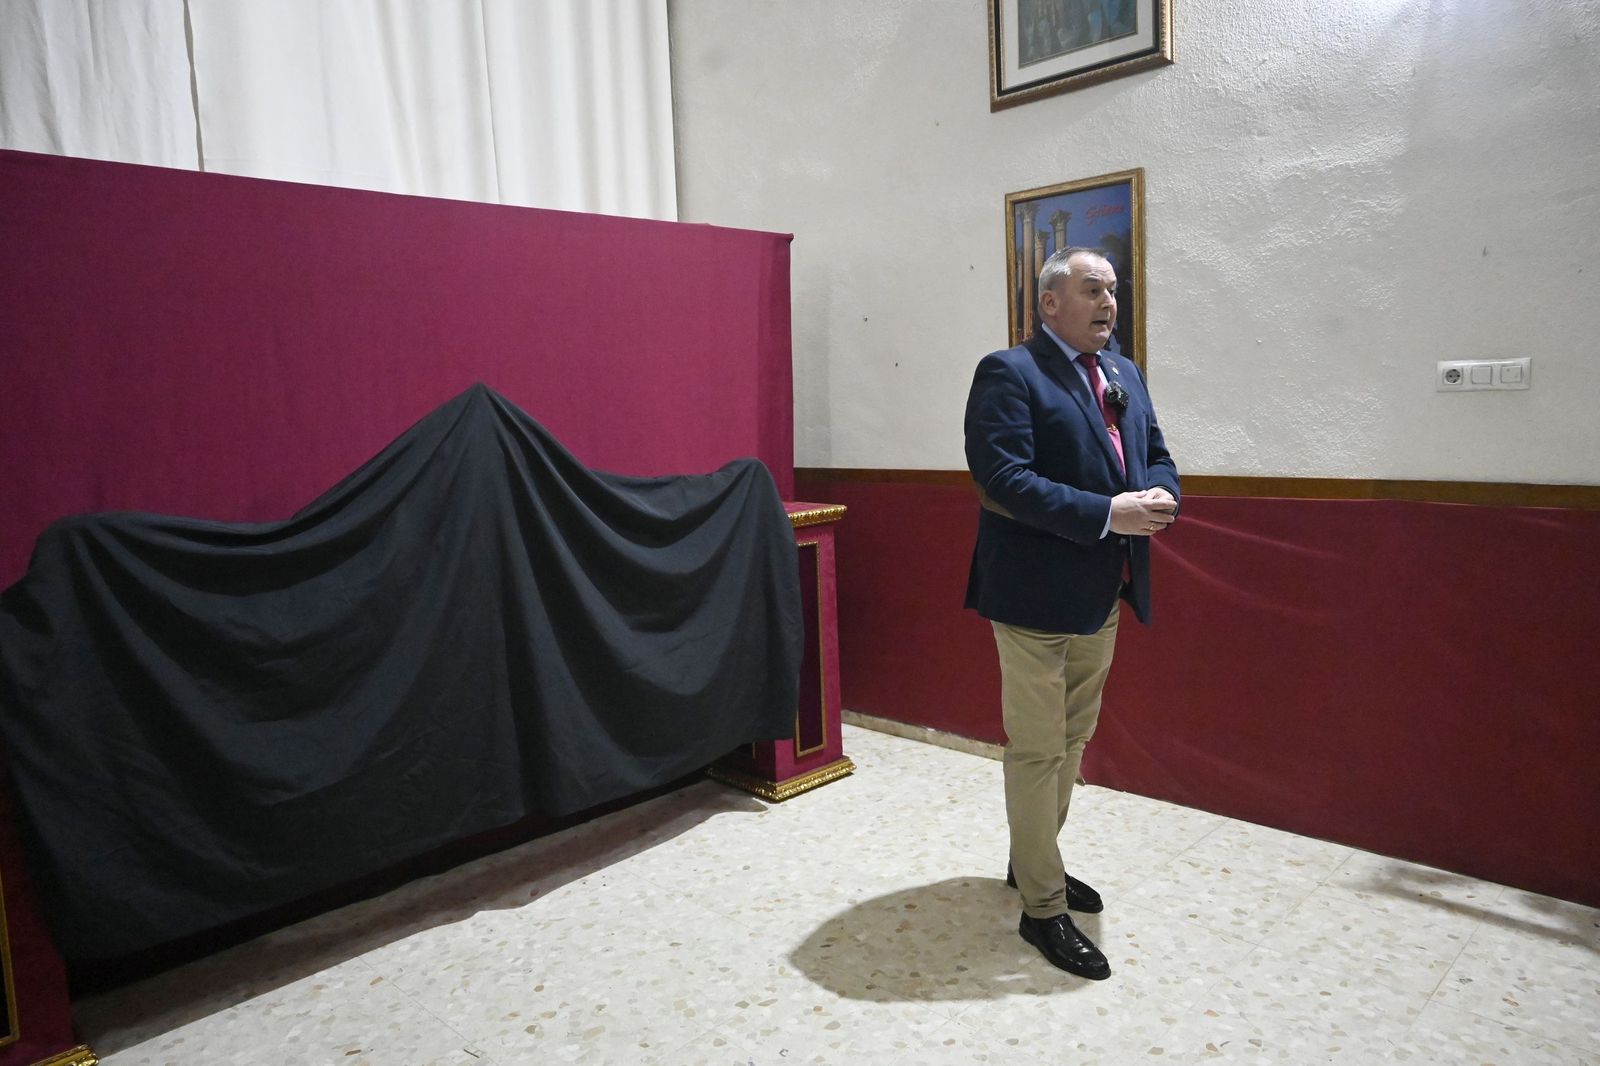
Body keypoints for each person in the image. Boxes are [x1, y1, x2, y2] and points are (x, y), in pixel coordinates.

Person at [963, 246, 1180, 980]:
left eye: (1112, 291)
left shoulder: (1124, 374)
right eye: (1092, 290)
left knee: (1074, 736)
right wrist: (1108, 512)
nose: (1108, 304)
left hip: (1103, 589)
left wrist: (1160, 495)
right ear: (1050, 301)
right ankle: (1043, 908)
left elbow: (1153, 450)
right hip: (1031, 594)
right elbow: (1001, 481)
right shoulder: (1010, 372)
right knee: (1036, 748)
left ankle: (1033, 863)